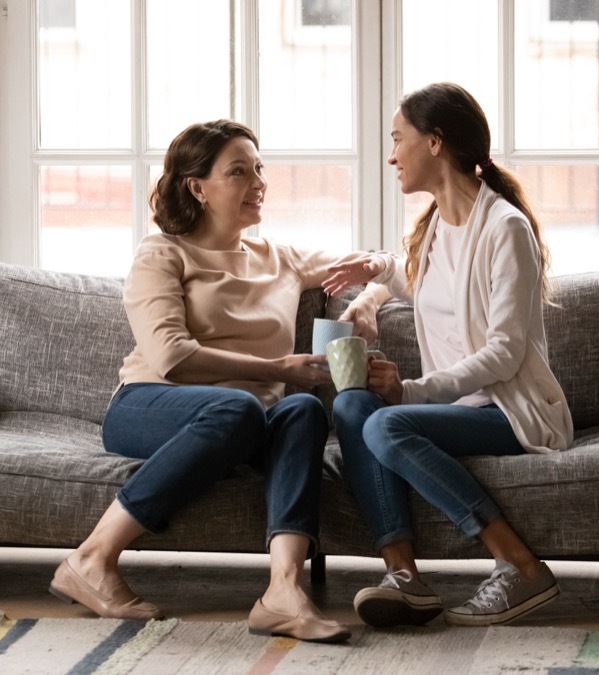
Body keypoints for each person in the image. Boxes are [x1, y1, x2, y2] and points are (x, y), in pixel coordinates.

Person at [50, 119, 386, 644]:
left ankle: (283, 591)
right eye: (238, 171)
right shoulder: (161, 253)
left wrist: (368, 298)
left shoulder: (280, 258)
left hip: (249, 420)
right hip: (151, 404)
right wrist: (279, 370)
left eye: (259, 168)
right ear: (197, 187)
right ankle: (92, 558)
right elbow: (173, 357)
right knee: (243, 408)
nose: (258, 181)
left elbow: (389, 264)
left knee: (303, 411)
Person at [328, 82, 574, 628]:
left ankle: (520, 564)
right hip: (462, 410)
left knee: (387, 426)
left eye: (398, 139)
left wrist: (409, 392)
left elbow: (505, 354)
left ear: (435, 142)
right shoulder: (437, 225)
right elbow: (428, 287)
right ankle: (404, 577)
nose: (391, 155)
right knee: (350, 408)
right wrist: (374, 279)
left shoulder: (504, 228)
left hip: (509, 412)